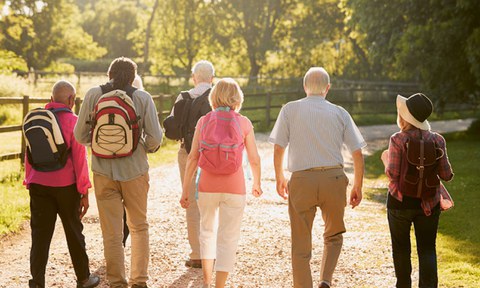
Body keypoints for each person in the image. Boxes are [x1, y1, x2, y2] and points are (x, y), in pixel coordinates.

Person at [269, 67, 366, 288]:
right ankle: (325, 280)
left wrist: (279, 177)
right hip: (333, 179)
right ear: (327, 88)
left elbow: (278, 147)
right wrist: (358, 185)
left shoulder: (289, 110)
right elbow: (357, 153)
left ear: (304, 87)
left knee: (301, 243)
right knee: (333, 235)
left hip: (302, 180)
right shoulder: (340, 112)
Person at [74, 57, 163, 288]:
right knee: (139, 226)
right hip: (135, 170)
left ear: (109, 74)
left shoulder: (94, 94)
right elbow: (155, 139)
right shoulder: (142, 97)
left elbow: (80, 136)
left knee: (111, 231)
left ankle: (116, 282)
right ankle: (139, 280)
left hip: (103, 171)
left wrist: (100, 145)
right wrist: (142, 148)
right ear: (133, 77)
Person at [180, 78, 263, 288]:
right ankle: (220, 286)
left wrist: (185, 190)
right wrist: (257, 182)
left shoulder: (204, 121)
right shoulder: (243, 122)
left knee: (207, 232)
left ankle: (206, 282)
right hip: (235, 188)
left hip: (207, 186)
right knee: (228, 237)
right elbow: (254, 158)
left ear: (213, 97)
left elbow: (192, 158)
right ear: (237, 98)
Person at [24, 80, 100, 288]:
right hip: (66, 187)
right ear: (71, 100)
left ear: (51, 99)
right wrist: (84, 191)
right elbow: (79, 160)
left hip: (38, 185)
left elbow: (28, 155)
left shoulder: (34, 119)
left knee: (40, 235)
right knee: (74, 232)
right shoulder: (74, 121)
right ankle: (84, 279)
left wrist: (28, 180)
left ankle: (37, 281)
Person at [381, 93, 454, 288]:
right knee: (427, 249)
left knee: (401, 249)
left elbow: (393, 174)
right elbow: (446, 175)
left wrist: (385, 159)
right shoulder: (437, 140)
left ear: (404, 116)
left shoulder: (397, 139)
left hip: (399, 202)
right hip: (429, 203)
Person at [174, 60, 214, 268]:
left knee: (191, 201)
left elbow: (171, 128)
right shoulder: (218, 96)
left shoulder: (184, 96)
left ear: (193, 78)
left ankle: (197, 254)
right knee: (212, 202)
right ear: (212, 79)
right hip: (214, 157)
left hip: (188, 152)